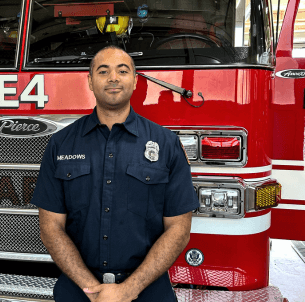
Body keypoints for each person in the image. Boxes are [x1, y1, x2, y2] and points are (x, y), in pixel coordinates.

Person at [31, 45, 199, 302]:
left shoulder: (166, 144)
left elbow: (179, 229)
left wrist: (129, 289)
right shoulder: (61, 144)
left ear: (134, 81)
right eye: (103, 71)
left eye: (122, 71)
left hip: (148, 290)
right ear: (89, 81)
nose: (113, 78)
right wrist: (91, 288)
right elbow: (50, 227)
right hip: (79, 290)